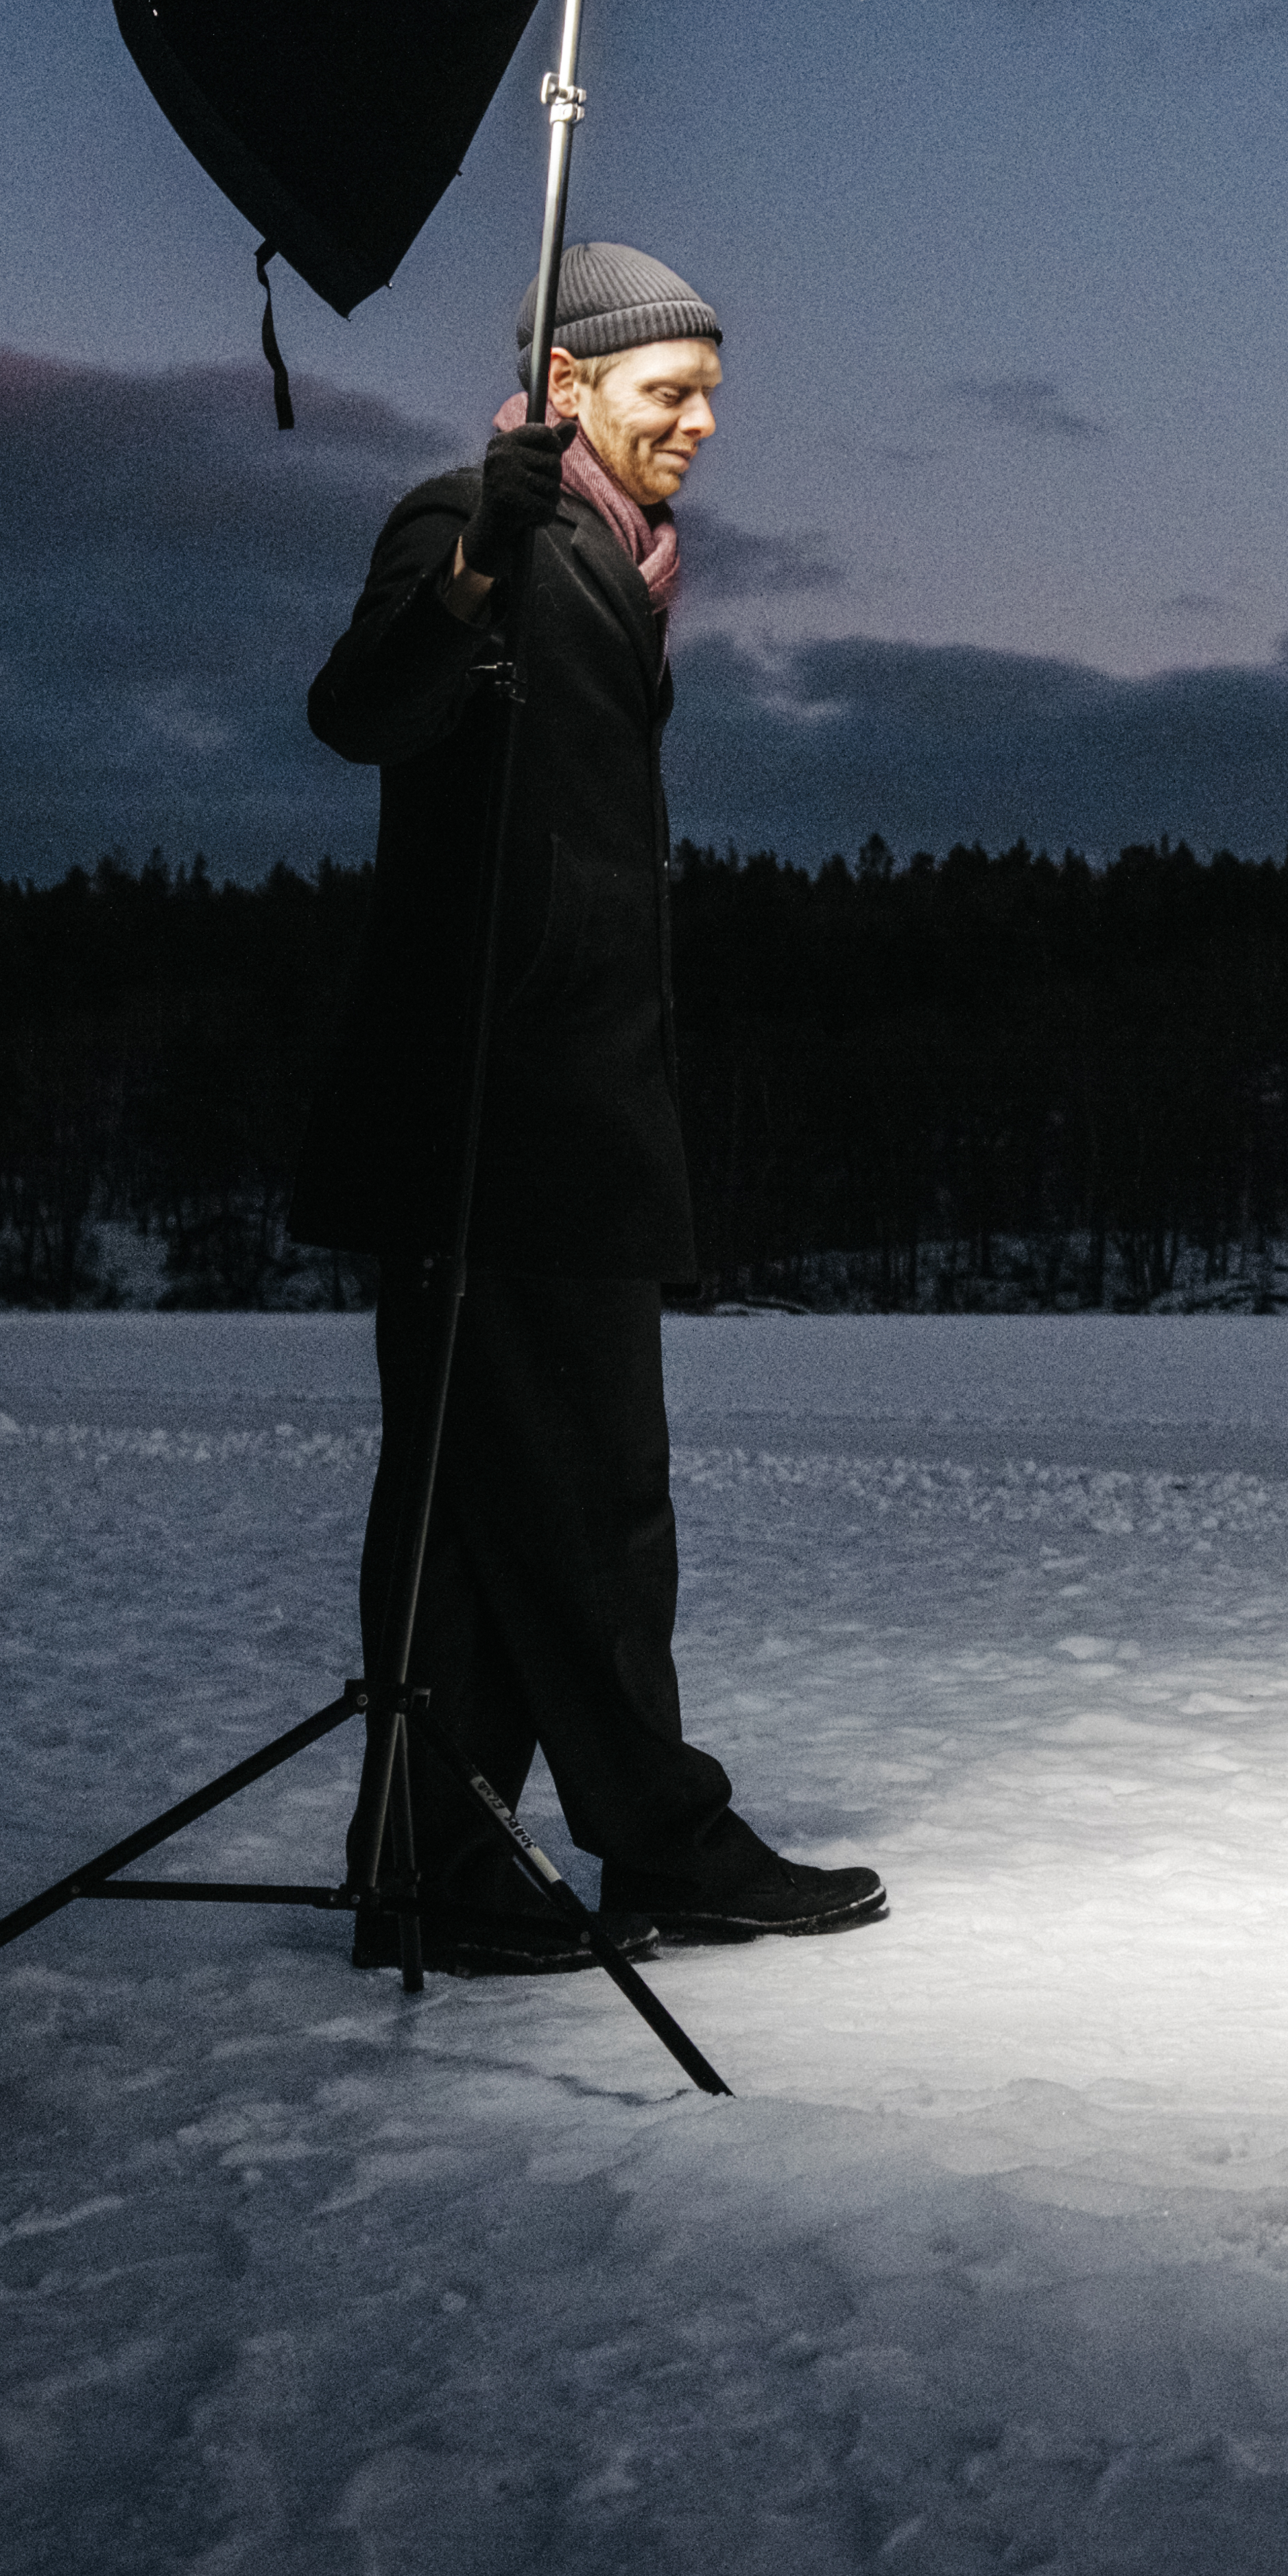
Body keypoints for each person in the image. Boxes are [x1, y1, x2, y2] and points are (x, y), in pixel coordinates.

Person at [291, 236, 885, 1972]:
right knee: (590, 1499)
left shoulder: (625, 560)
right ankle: (660, 1840)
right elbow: (361, 708)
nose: (701, 421)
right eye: (668, 390)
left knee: (479, 1510)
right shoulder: (468, 520)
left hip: (571, 1100)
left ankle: (437, 1866)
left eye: (712, 394)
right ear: (567, 383)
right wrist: (477, 558)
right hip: (495, 1102)